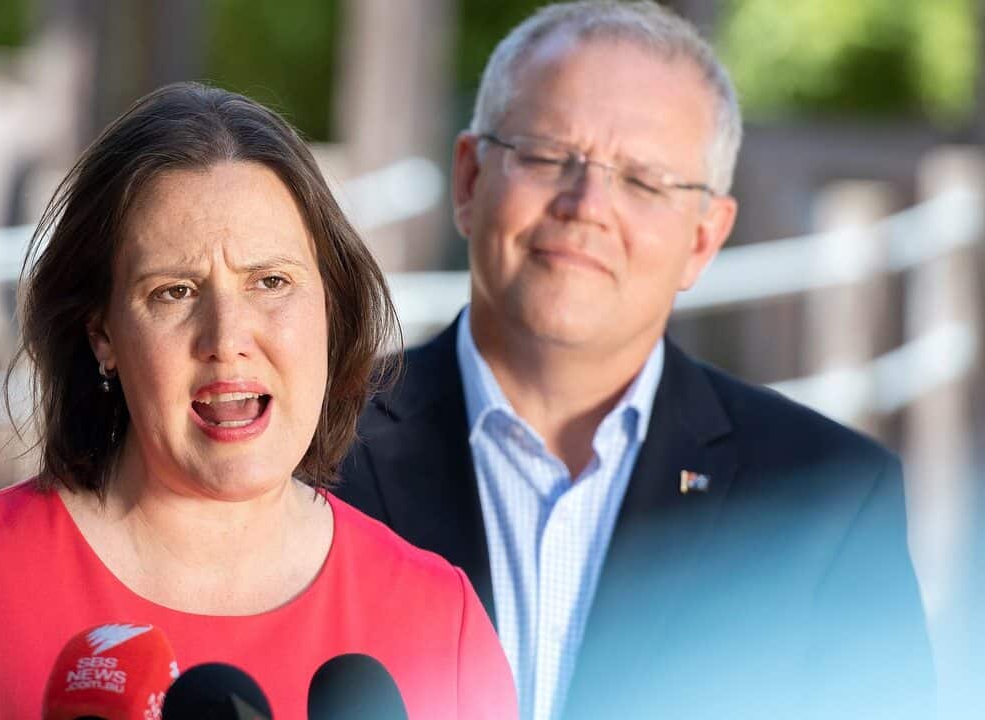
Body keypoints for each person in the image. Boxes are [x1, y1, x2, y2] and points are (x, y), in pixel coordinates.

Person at [0, 82, 518, 720]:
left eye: (270, 282)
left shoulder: (439, 619)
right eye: (173, 292)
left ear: (331, 309)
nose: (228, 338)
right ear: (103, 337)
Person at [336, 3, 933, 719]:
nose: (586, 205)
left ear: (704, 240)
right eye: (549, 154)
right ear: (469, 180)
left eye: (645, 181)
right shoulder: (312, 445)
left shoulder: (826, 500)